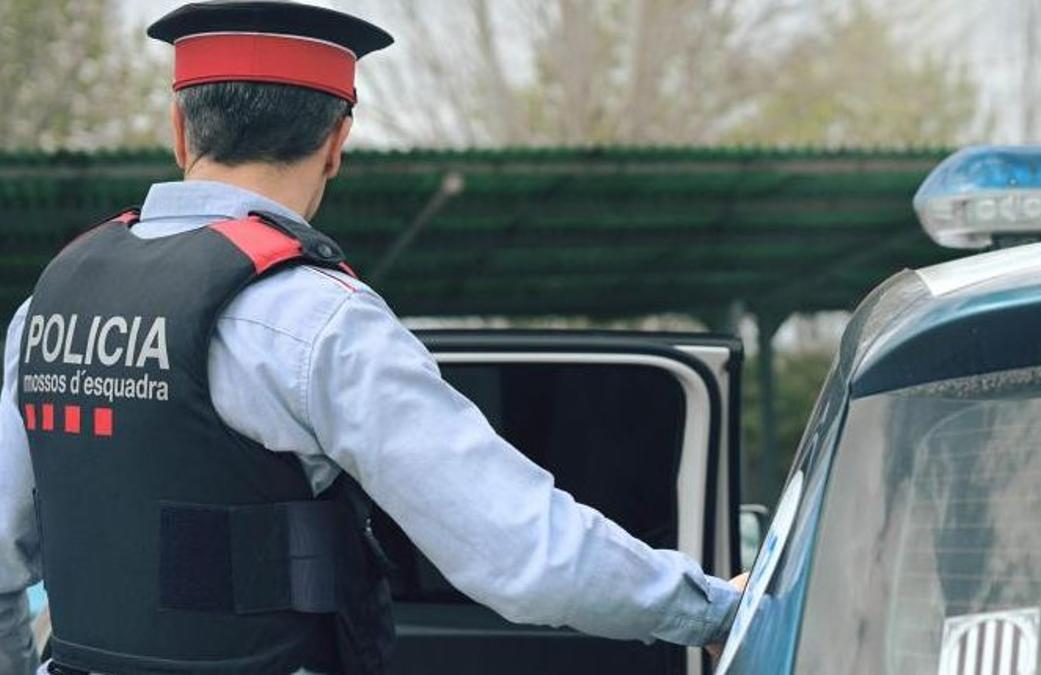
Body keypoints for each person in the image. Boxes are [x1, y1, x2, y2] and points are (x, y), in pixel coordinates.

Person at [0, 2, 744, 674]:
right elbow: (522, 547)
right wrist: (711, 610)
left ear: (180, 128)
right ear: (336, 142)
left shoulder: (50, 303)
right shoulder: (319, 322)